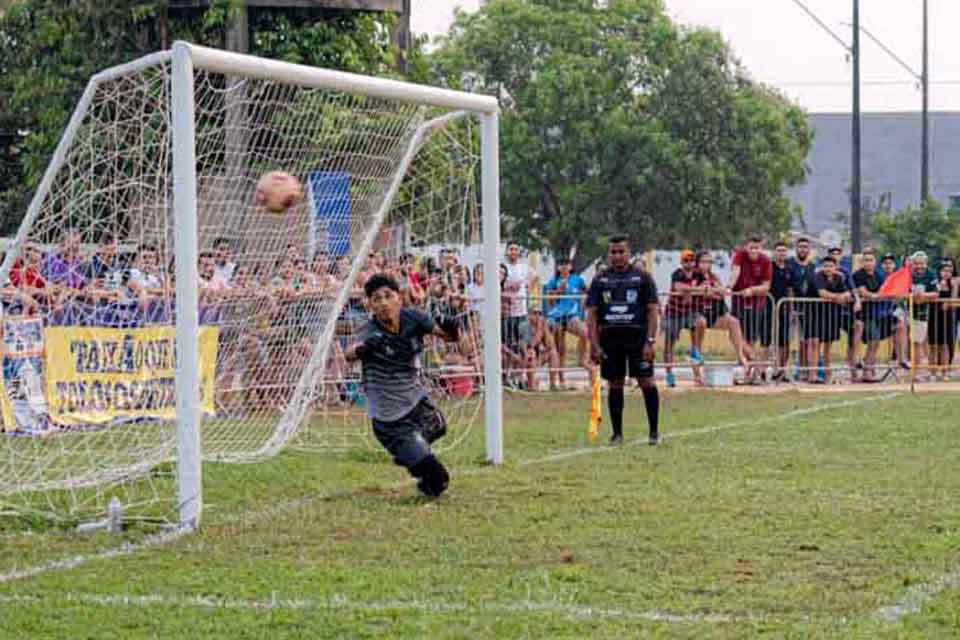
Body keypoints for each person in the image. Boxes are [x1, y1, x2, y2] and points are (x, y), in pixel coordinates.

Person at [344, 273, 460, 498]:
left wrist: (452, 329)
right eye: (377, 299)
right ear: (370, 305)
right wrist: (364, 348)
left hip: (416, 402)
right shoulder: (370, 330)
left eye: (388, 296)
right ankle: (414, 460)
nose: (384, 303)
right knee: (439, 481)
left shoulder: (414, 318)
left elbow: (449, 337)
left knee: (439, 426)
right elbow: (349, 354)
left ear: (399, 298)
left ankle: (409, 453)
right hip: (390, 420)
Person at [585, 235, 660, 446]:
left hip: (637, 339)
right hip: (610, 340)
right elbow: (592, 314)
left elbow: (652, 311)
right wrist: (594, 344)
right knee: (615, 384)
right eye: (613, 252)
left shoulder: (643, 277)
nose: (617, 256)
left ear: (629, 253)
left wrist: (650, 341)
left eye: (621, 252)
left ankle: (654, 432)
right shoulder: (600, 280)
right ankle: (617, 434)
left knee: (646, 382)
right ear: (608, 254)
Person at [544, 258, 592, 387]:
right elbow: (550, 301)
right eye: (562, 265)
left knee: (585, 333)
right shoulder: (553, 280)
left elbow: (588, 291)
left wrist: (585, 303)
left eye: (567, 264)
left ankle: (582, 360)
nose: (564, 267)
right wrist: (559, 291)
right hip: (557, 316)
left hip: (572, 315)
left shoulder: (577, 279)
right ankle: (560, 380)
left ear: (571, 267)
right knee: (560, 349)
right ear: (558, 267)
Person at [729, 236, 772, 381]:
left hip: (756, 304)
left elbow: (766, 286)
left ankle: (750, 374)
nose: (753, 250)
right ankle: (754, 362)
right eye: (751, 247)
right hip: (738, 302)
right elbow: (735, 272)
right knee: (735, 335)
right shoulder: (740, 255)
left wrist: (752, 290)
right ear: (746, 247)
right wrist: (729, 286)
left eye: (757, 248)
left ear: (761, 248)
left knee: (751, 339)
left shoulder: (765, 261)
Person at [662, 249, 706, 387]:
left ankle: (694, 350)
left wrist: (690, 291)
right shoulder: (677, 273)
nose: (689, 263)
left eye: (691, 260)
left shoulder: (699, 273)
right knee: (669, 345)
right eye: (686, 260)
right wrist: (696, 290)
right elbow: (679, 288)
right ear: (681, 262)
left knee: (701, 322)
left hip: (690, 312)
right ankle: (669, 374)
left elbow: (706, 287)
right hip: (673, 312)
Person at [811, 256, 853, 383]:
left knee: (828, 346)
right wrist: (838, 297)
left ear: (835, 267)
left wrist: (841, 296)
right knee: (816, 344)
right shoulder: (818, 276)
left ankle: (828, 375)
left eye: (830, 266)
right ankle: (813, 375)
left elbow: (848, 293)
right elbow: (822, 293)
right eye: (826, 266)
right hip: (817, 314)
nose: (828, 268)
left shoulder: (839, 277)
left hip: (832, 315)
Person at [788, 238, 818, 382]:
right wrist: (792, 308)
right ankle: (800, 371)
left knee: (808, 340)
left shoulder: (813, 266)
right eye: (800, 247)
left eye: (805, 247)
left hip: (810, 308)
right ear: (796, 248)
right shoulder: (791, 265)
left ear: (809, 249)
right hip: (795, 307)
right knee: (798, 341)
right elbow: (789, 289)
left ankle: (808, 372)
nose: (803, 249)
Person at [909, 251, 939, 377]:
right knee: (913, 341)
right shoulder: (907, 273)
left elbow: (936, 293)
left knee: (919, 341)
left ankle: (919, 370)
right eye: (916, 263)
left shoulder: (931, 273)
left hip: (922, 312)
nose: (919, 266)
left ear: (926, 263)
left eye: (922, 263)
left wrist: (923, 295)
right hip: (907, 311)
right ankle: (917, 368)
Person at [929, 259, 958, 380]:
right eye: (944, 271)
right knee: (933, 346)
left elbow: (954, 301)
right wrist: (938, 288)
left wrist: (949, 301)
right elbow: (931, 296)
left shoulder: (953, 285)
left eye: (949, 271)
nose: (946, 273)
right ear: (939, 272)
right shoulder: (935, 283)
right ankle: (933, 372)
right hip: (934, 316)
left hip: (947, 318)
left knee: (945, 346)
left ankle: (945, 372)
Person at [770, 241, 793, 381]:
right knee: (771, 339)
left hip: (784, 308)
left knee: (784, 341)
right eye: (779, 250)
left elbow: (790, 289)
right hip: (770, 306)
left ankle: (783, 371)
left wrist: (791, 307)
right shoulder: (770, 267)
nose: (781, 253)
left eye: (784, 250)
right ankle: (774, 369)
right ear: (775, 252)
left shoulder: (790, 269)